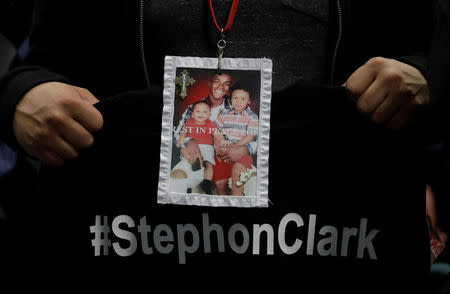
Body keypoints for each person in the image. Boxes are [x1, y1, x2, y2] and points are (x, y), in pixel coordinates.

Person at [0, 1, 439, 293]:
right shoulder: (198, 120)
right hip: (132, 244)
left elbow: (430, 48)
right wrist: (18, 94)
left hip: (328, 238)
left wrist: (432, 75)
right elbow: (34, 60)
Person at [213, 81, 258, 196]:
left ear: (249, 101)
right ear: (231, 99)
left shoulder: (252, 117)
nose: (238, 101)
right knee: (220, 182)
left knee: (237, 174)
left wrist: (234, 148)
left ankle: (236, 198)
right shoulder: (224, 113)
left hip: (241, 153)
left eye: (242, 99)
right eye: (235, 98)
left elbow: (250, 136)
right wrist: (220, 144)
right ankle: (222, 201)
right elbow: (216, 130)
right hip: (223, 150)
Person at [175, 100, 217, 194]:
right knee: (189, 163)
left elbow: (217, 134)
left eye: (205, 112)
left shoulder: (210, 124)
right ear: (192, 114)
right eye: (198, 111)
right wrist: (181, 139)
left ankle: (206, 183)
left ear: (209, 114)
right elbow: (184, 132)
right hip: (193, 146)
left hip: (207, 147)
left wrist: (222, 140)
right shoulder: (189, 122)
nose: (201, 114)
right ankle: (189, 184)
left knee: (208, 165)